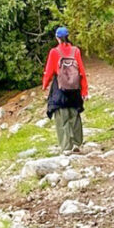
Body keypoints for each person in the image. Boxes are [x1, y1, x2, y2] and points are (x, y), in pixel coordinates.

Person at [42, 25, 88, 153]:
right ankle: (77, 143)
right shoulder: (76, 51)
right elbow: (82, 72)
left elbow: (49, 71)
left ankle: (66, 147)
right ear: (68, 37)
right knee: (74, 116)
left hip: (60, 88)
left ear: (57, 38)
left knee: (62, 118)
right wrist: (84, 90)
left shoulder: (54, 52)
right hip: (75, 88)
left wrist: (44, 85)